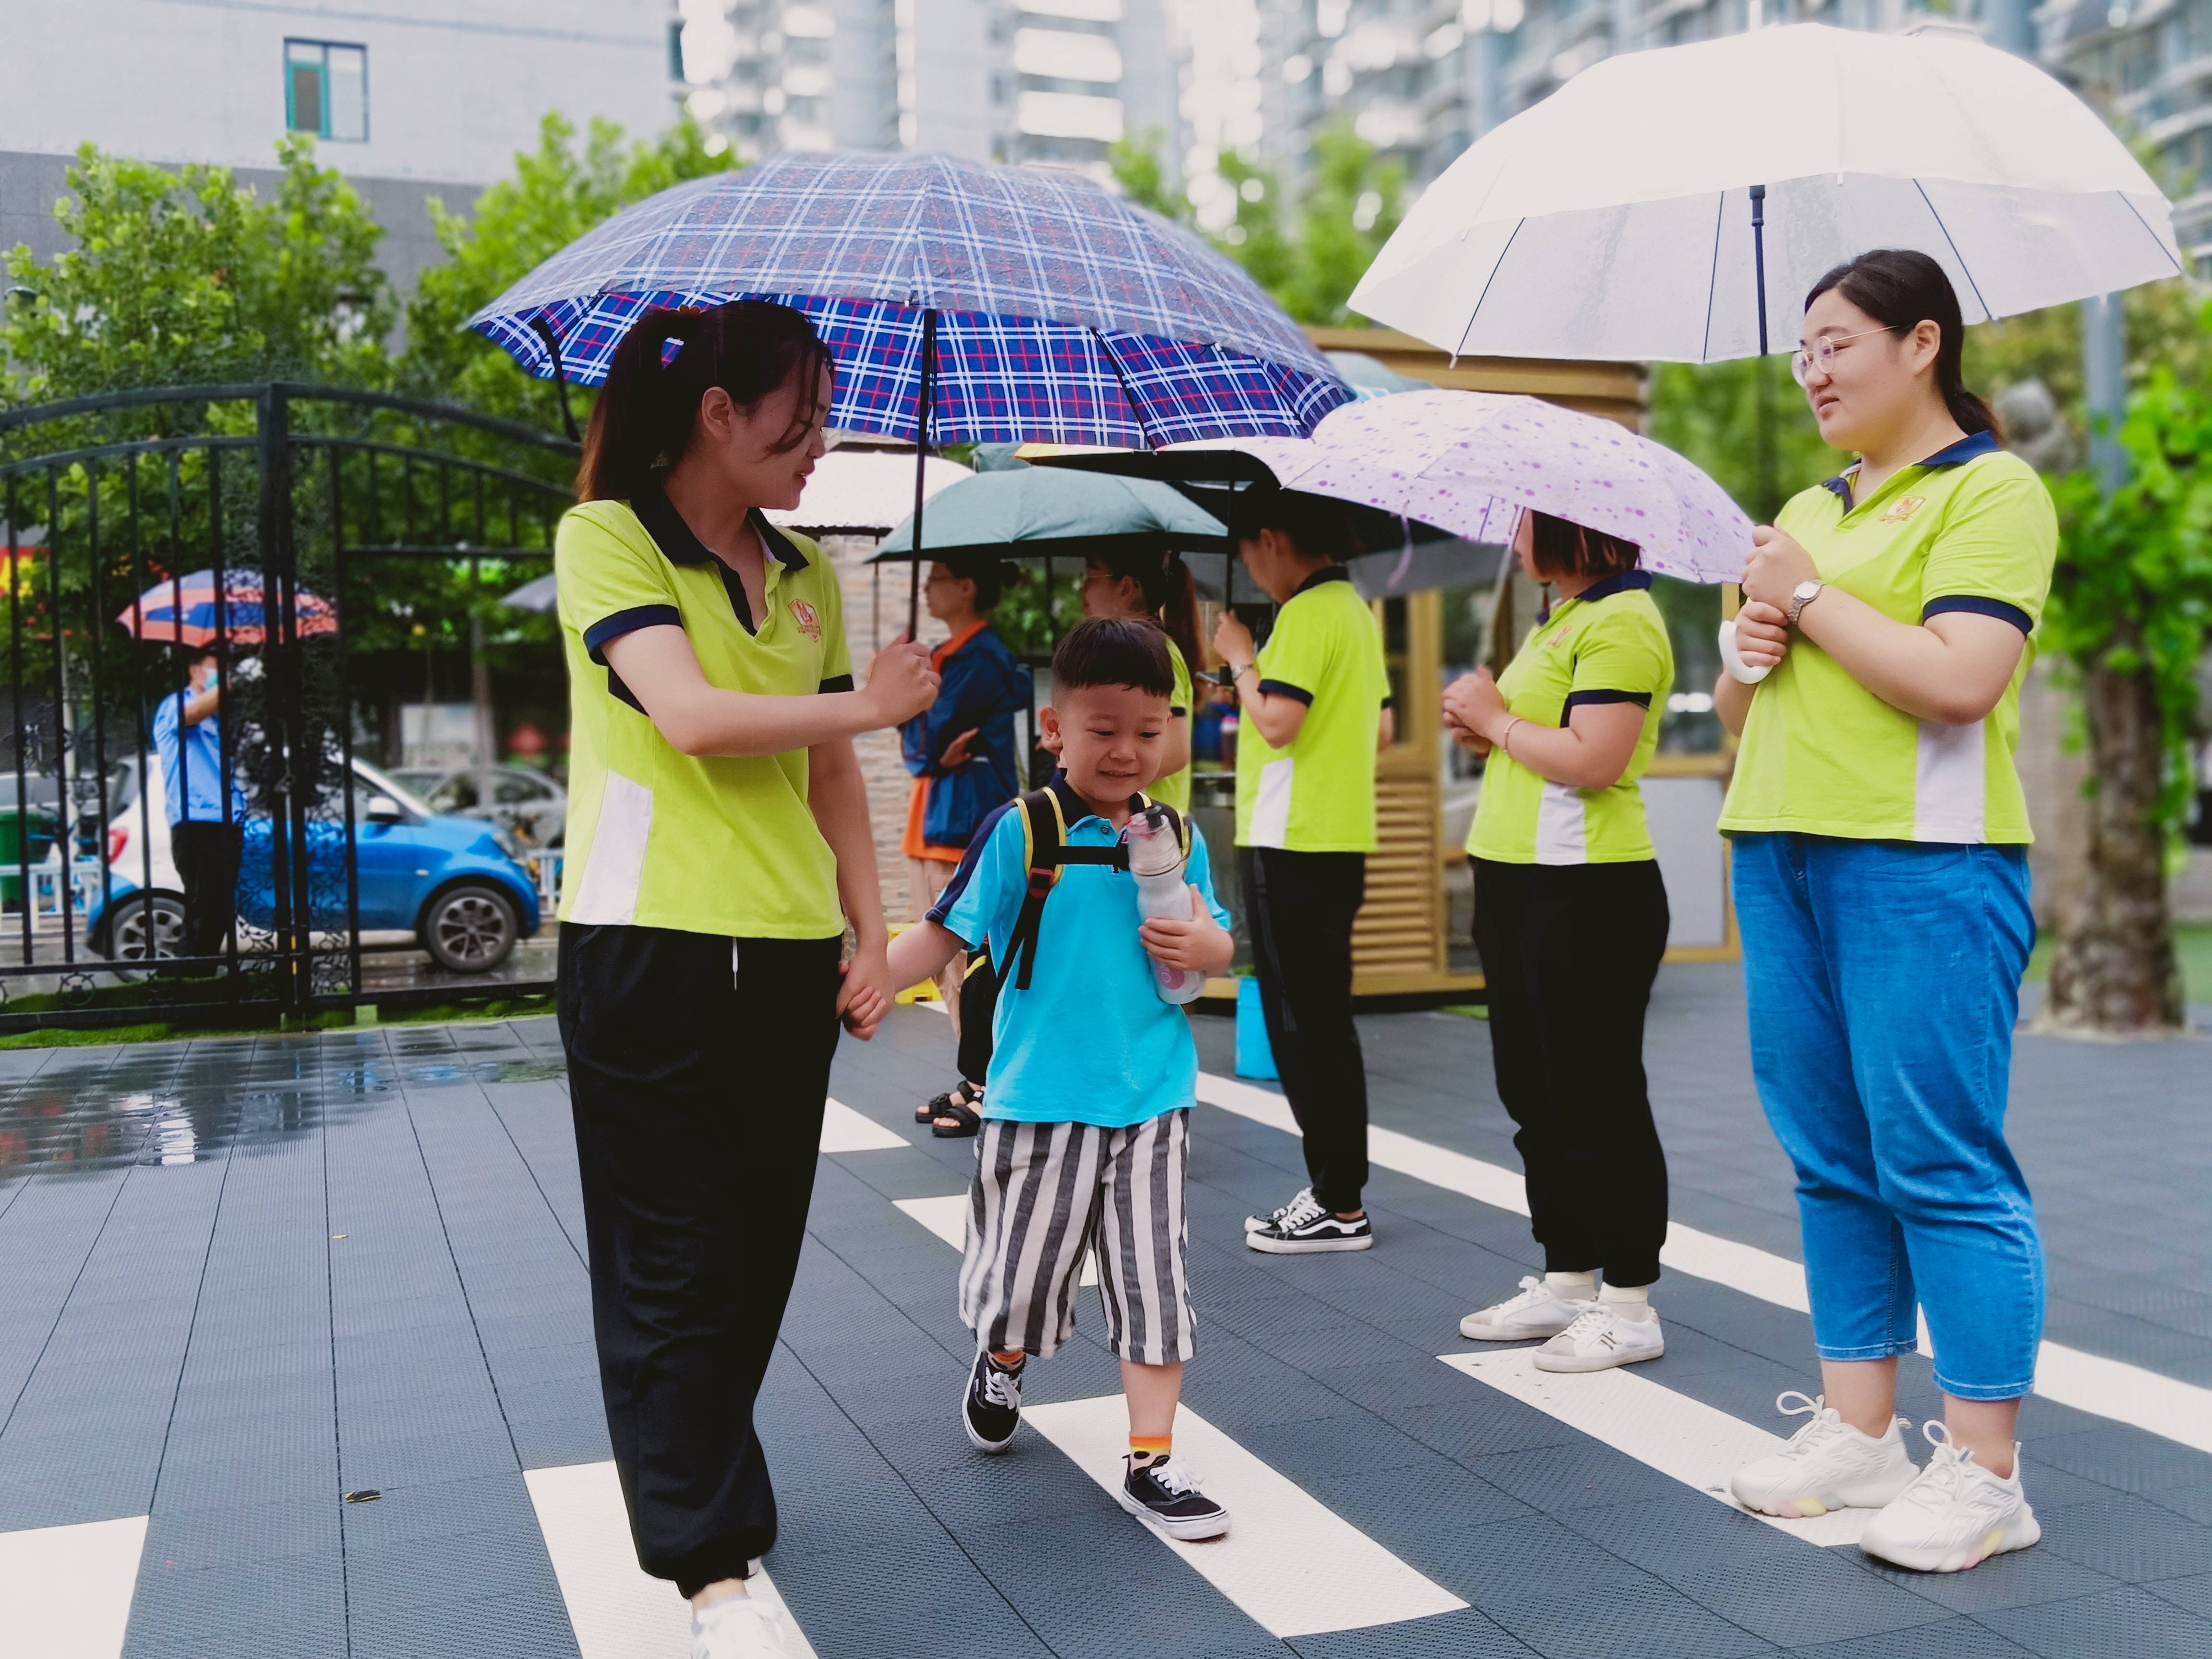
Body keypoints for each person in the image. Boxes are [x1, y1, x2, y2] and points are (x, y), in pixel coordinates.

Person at [551, 299, 938, 1658]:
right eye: (802, 419)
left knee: (758, 1251)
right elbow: (695, 718)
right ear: (718, 415)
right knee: (670, 1261)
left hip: (782, 961)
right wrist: (872, 702)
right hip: (645, 948)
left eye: (827, 419)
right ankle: (711, 1568)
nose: (819, 445)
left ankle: (702, 1478)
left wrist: (869, 931)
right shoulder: (605, 537)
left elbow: (832, 771)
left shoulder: (809, 576)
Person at [1713, 250, 2052, 1575]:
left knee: (1942, 1165)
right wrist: (1750, 655)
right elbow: (1755, 716)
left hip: (1923, 861)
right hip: (1781, 851)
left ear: (1923, 343)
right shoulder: (1808, 504)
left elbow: (1960, 680)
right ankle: (1862, 1433)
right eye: (1802, 351)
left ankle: (1986, 1471)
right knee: (1828, 1155)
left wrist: (1802, 592)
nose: (1812, 371)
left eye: (1836, 342)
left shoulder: (1993, 489)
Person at [887, 617, 1238, 1540]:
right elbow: (946, 933)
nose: (1128, 751)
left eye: (1151, 729)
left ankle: (1152, 1457)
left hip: (1153, 1097)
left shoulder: (1180, 837)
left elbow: (1210, 946)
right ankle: (1001, 1357)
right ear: (1054, 730)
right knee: (1024, 1282)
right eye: (1104, 730)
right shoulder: (1020, 831)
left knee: (1153, 1283)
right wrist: (867, 978)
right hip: (1040, 1102)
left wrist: (1208, 945)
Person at [1441, 510, 1675, 1372]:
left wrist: (1496, 720)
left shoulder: (1623, 619)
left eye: (1525, 521)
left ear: (1576, 527)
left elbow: (1594, 758)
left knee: (1595, 1093)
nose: (1512, 537)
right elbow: (1538, 742)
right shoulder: (1566, 616)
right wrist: (1488, 727)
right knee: (1533, 1091)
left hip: (1587, 887)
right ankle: (1568, 1276)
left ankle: (1629, 1300)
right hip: (1515, 875)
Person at [1213, 487, 1393, 1255]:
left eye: (1250, 553)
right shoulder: (1354, 610)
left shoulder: (1307, 615)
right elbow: (1379, 727)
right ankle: (1337, 1192)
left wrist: (1239, 659)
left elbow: (1279, 722)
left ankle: (1337, 1199)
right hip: (1334, 833)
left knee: (1301, 1023)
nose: (1252, 569)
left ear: (1272, 538)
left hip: (1291, 840)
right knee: (1321, 1019)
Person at [900, 555, 1030, 1135]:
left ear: (967, 588)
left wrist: (903, 700)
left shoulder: (974, 660)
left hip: (959, 824)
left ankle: (984, 1085)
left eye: (936, 581)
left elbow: (923, 743)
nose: (927, 591)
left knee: (965, 965)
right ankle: (978, 1079)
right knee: (960, 966)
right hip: (945, 819)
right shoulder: (962, 657)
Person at [1079, 545, 1204, 812]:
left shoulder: (1153, 652)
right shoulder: (1130, 651)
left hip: (1151, 835)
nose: (1083, 590)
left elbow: (1175, 751)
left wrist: (1098, 776)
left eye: (1091, 575)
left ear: (1126, 587)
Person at [151, 648, 246, 969]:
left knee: (219, 909)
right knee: (203, 908)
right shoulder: (176, 705)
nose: (223, 674)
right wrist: (230, 684)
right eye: (215, 668)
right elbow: (191, 716)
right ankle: (185, 985)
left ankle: (198, 982)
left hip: (227, 821)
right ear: (195, 671)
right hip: (197, 821)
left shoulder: (221, 717)